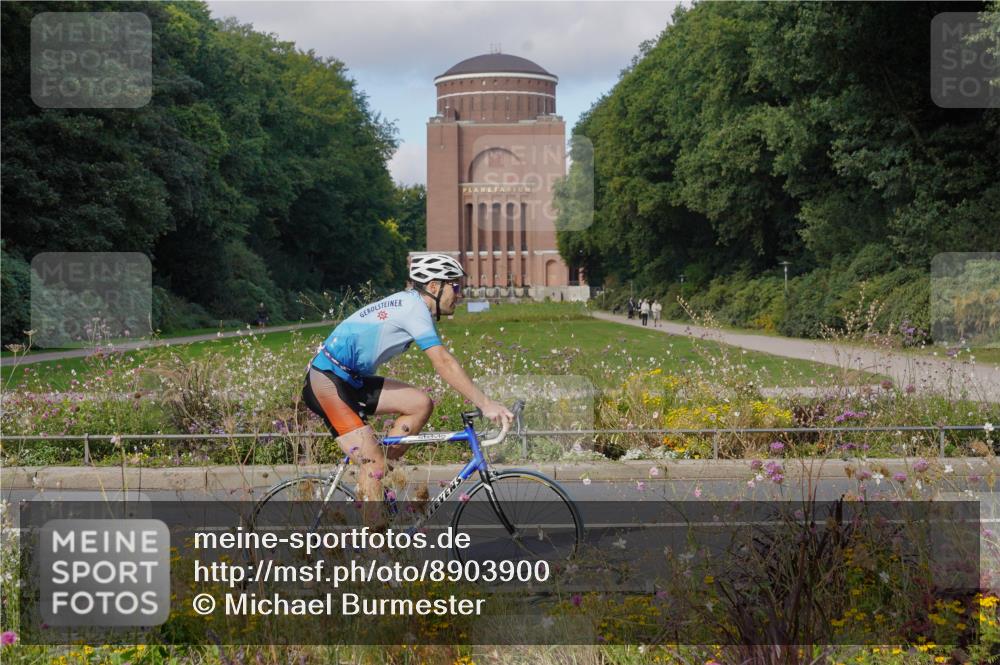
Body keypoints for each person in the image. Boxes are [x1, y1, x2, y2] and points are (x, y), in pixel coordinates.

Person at [301, 253, 514, 513]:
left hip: (349, 380)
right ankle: (374, 547)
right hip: (326, 381)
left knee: (420, 404)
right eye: (455, 286)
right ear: (434, 287)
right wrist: (486, 403)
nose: (459, 294)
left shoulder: (411, 304)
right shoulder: (413, 309)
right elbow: (443, 362)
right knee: (374, 465)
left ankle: (375, 482)